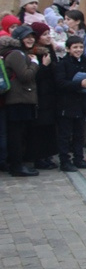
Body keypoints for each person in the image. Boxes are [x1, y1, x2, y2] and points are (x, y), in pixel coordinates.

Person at [1, 25, 45, 177]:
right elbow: (25, 76)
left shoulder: (20, 53)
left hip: (21, 99)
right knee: (16, 135)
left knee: (19, 133)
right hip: (18, 99)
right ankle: (17, 166)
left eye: (32, 36)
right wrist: (36, 64)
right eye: (27, 37)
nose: (31, 39)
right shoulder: (16, 54)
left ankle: (18, 164)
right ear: (19, 38)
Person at [53, 35, 86, 172]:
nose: (78, 50)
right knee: (65, 135)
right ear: (68, 49)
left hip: (82, 104)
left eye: (81, 47)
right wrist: (79, 84)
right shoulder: (63, 63)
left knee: (80, 133)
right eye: (75, 47)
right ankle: (65, 161)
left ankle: (78, 158)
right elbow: (60, 83)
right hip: (67, 104)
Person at [29, 22, 60, 171]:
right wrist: (45, 66)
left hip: (51, 95)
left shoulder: (49, 50)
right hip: (40, 96)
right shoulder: (35, 53)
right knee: (40, 128)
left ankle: (48, 155)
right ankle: (40, 157)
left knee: (49, 127)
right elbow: (34, 76)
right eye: (45, 34)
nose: (48, 37)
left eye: (49, 34)